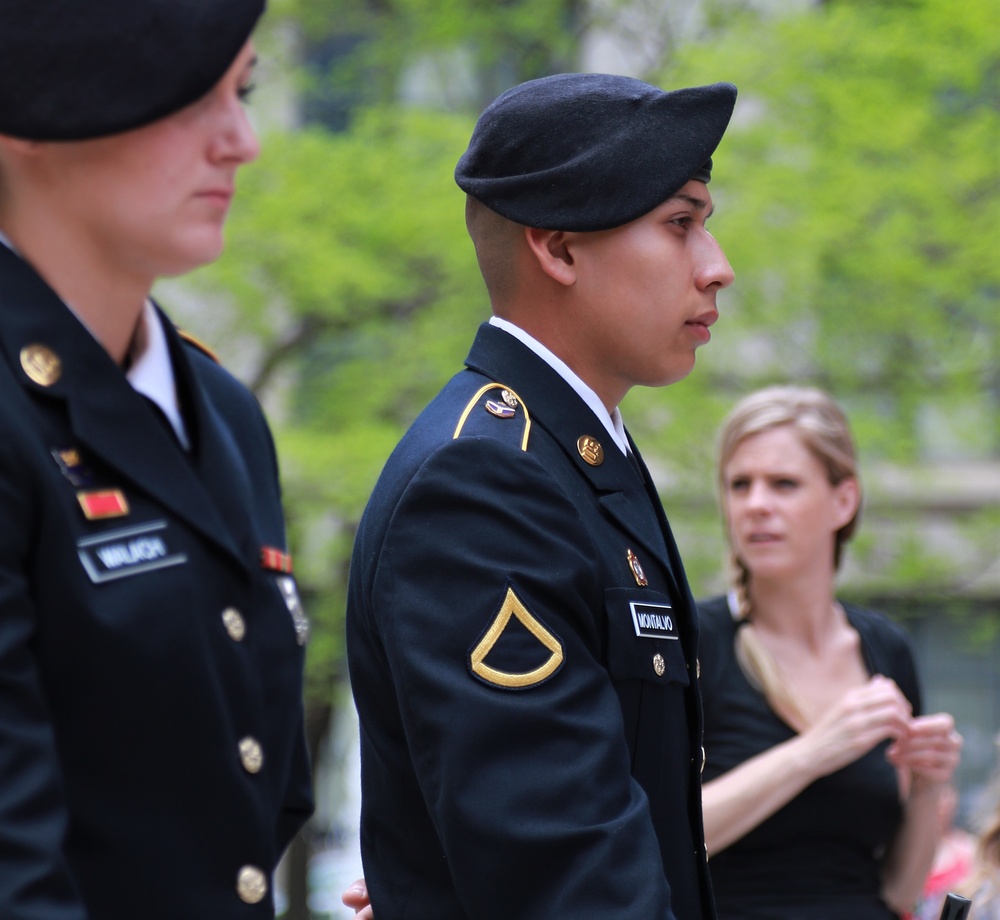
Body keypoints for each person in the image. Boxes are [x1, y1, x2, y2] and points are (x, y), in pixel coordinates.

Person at [346, 73, 737, 918]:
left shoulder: (577, 456)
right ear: (557, 249)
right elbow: (571, 879)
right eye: (680, 224)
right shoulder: (486, 482)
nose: (718, 269)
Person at [0, 1, 313, 917]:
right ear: (29, 118)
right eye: (187, 98)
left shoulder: (221, 409)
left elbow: (264, 796)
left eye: (243, 91)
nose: (242, 141)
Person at [698, 385, 962, 919]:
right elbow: (661, 838)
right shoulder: (692, 640)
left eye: (784, 484)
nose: (756, 506)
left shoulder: (885, 648)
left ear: (844, 500)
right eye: (739, 485)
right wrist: (814, 750)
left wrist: (927, 790)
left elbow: (899, 890)